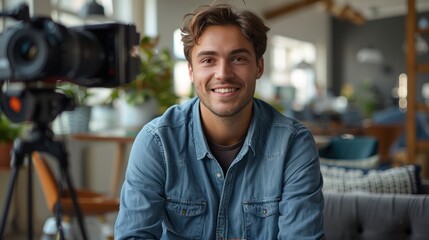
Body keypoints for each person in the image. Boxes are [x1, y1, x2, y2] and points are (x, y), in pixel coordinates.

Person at [114, 2, 324, 239]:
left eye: (238, 59)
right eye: (208, 60)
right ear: (191, 71)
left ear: (259, 66)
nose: (223, 73)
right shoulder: (157, 142)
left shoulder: (293, 144)